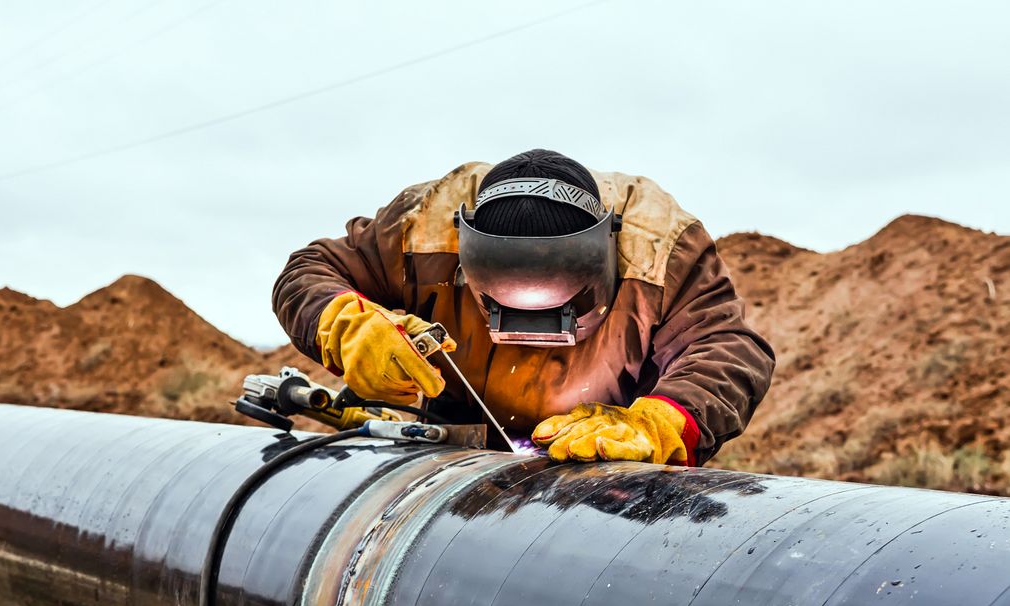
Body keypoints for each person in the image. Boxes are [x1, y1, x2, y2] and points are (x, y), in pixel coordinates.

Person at [272, 149, 774, 466]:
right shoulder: (421, 229)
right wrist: (348, 323)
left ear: (607, 251)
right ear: (466, 252)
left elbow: (726, 347)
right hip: (446, 453)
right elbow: (309, 271)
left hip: (600, 473)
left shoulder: (660, 253)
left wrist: (662, 421)